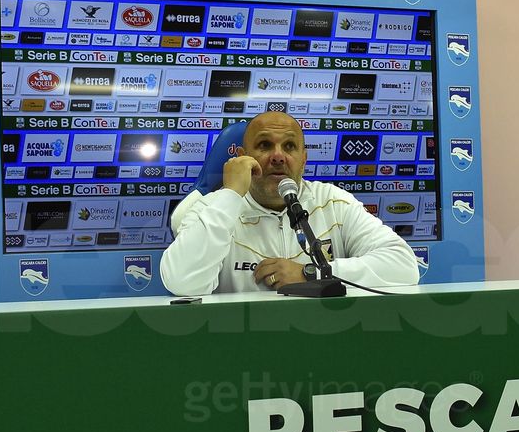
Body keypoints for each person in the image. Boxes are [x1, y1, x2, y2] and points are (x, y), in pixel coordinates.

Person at [161, 111, 420, 295]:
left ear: (304, 158)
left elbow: (404, 266)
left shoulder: (333, 202)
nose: (278, 156)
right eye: (264, 145)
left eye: (289, 146)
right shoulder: (212, 207)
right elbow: (182, 282)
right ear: (242, 157)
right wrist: (230, 194)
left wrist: (311, 273)